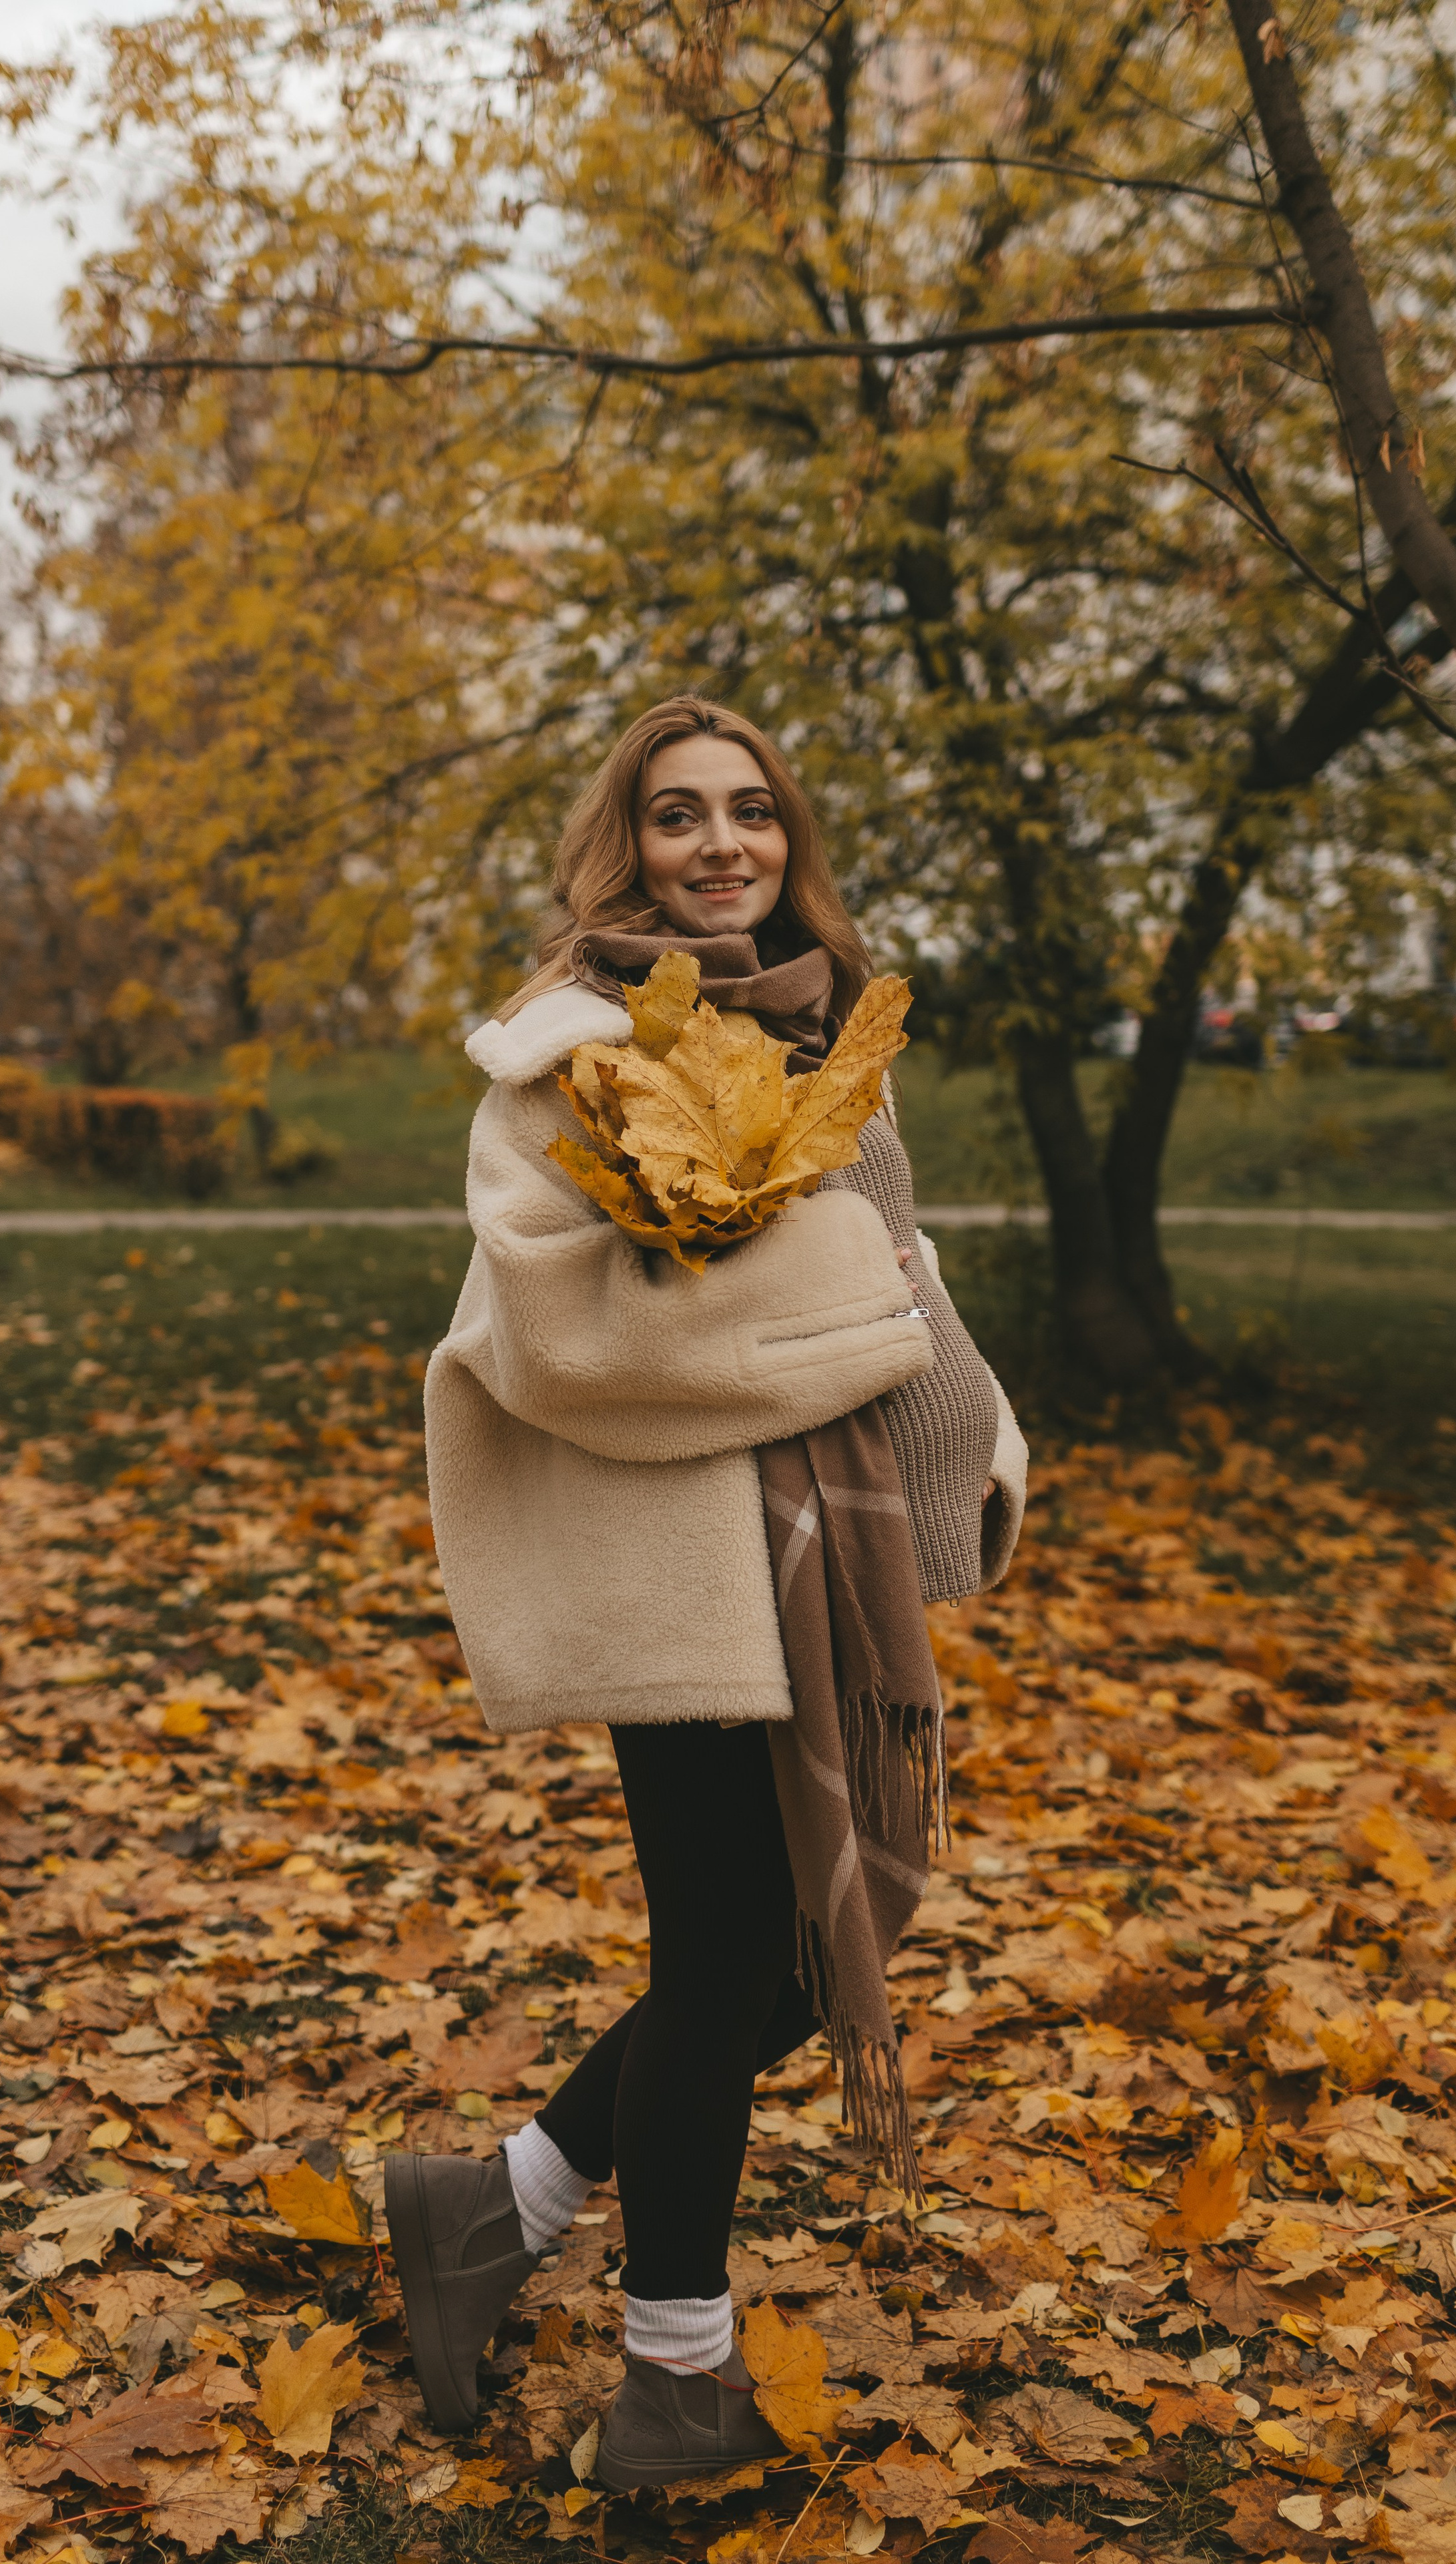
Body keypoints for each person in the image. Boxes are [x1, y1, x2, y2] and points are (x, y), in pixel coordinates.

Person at [385, 696, 1027, 2489]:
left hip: (820, 1559)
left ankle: (492, 2204)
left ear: (789, 839)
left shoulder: (834, 1037)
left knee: (809, 1950)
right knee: (740, 1949)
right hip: (671, 1563)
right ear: (631, 846)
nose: (722, 843)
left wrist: (969, 1438)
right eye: (681, 816)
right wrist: (846, 1296)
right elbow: (568, 1326)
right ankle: (672, 2375)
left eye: (753, 811)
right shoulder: (562, 1052)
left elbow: (904, 1269)